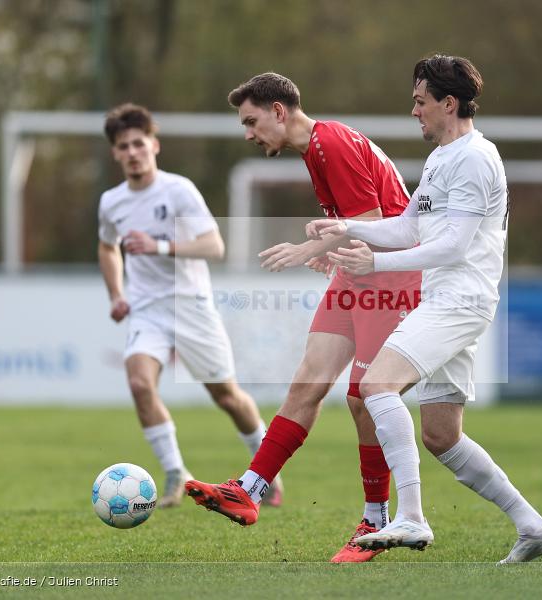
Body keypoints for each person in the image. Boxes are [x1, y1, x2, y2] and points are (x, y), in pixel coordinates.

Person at [309, 54, 542, 563]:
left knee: (375, 386)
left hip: (459, 300)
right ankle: (534, 527)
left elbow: (453, 247)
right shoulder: (443, 157)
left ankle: (412, 518)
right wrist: (347, 228)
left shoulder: (474, 158)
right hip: (445, 300)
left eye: (420, 102)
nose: (414, 112)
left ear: (449, 104)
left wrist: (375, 265)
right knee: (442, 436)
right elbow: (409, 227)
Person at [185, 73, 421, 563]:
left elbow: (378, 220)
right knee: (306, 384)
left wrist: (309, 247)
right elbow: (359, 223)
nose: (249, 133)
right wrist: (333, 250)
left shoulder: (329, 142)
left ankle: (375, 521)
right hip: (357, 272)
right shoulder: (316, 149)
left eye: (251, 121)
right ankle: (248, 490)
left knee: (363, 401)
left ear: (278, 111)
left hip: (391, 277)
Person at [97, 103, 281, 508]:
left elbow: (214, 245)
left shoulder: (177, 191)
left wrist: (159, 245)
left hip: (191, 306)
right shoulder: (111, 201)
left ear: (154, 145)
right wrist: (116, 293)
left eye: (138, 143)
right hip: (146, 309)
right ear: (115, 153)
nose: (132, 152)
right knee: (140, 383)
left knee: (227, 396)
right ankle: (177, 473)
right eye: (123, 146)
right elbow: (107, 246)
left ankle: (268, 472)